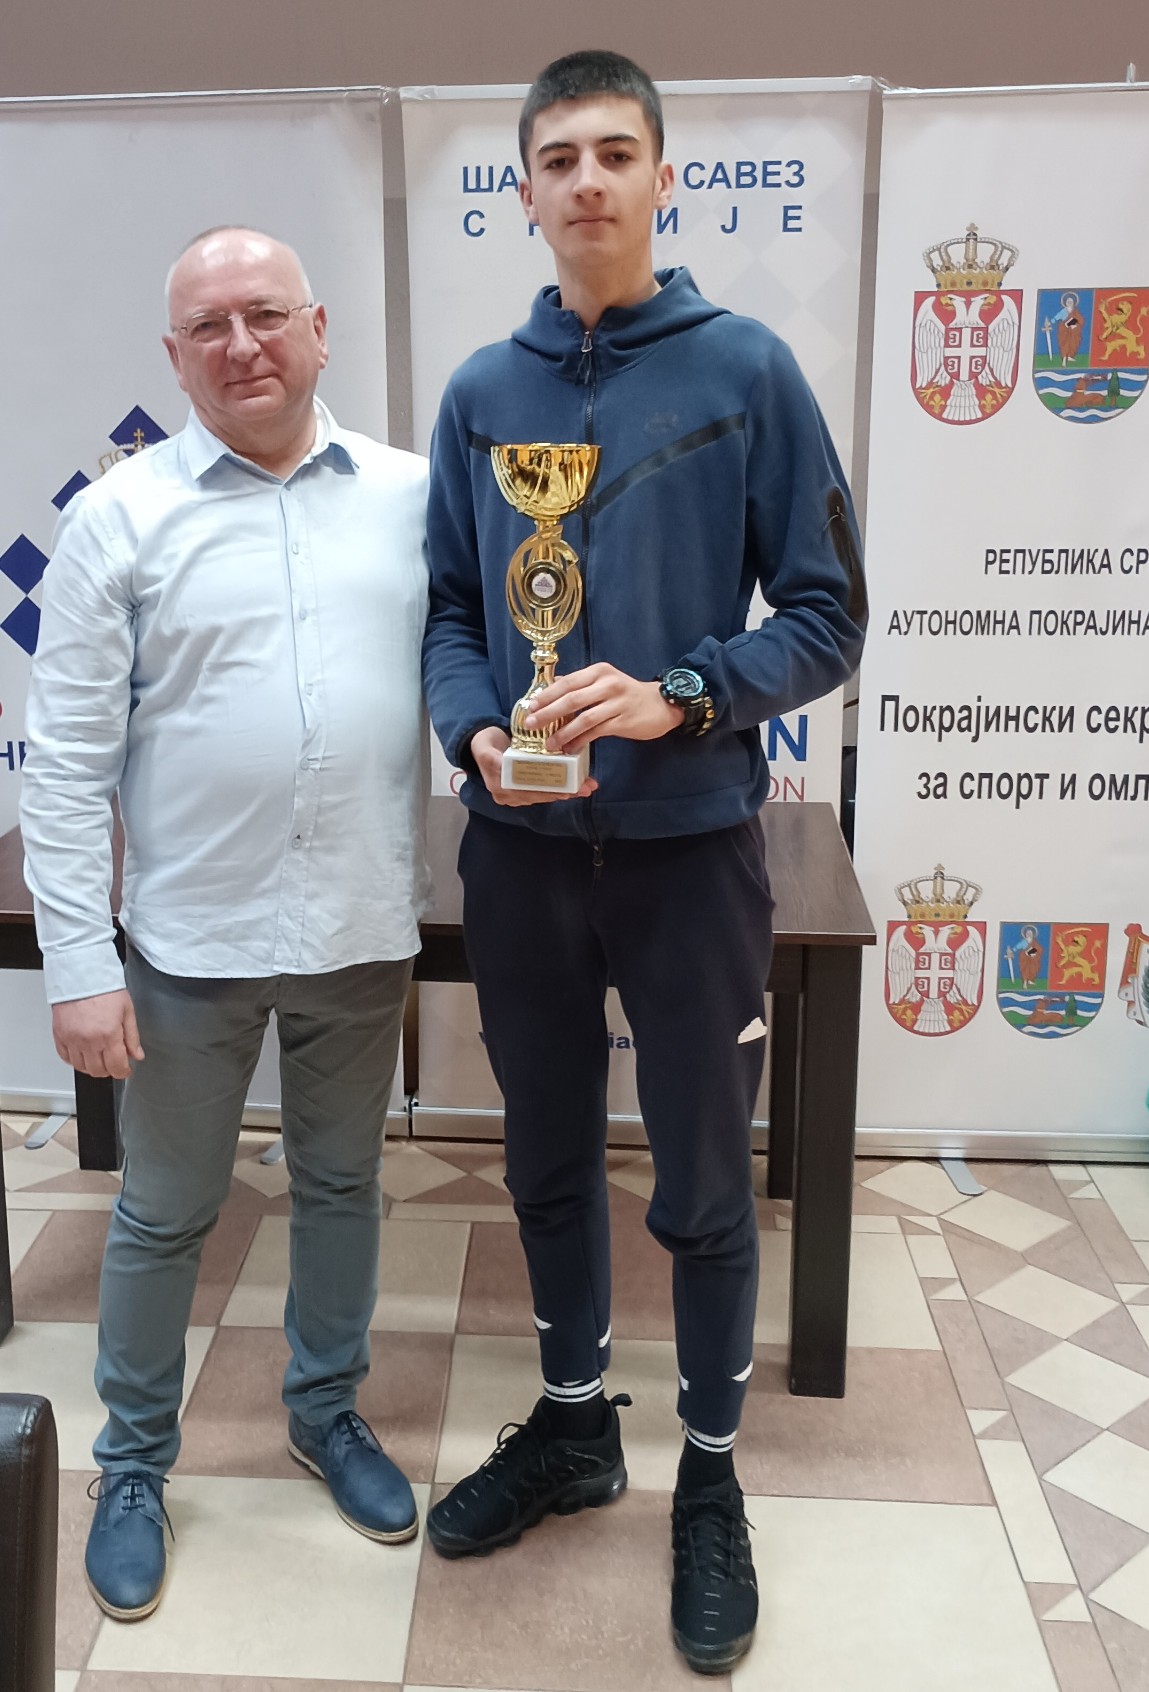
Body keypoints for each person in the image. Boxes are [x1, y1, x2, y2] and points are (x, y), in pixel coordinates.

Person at [422, 50, 866, 1676]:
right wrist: (476, 727)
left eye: (618, 153)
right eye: (560, 158)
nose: (589, 181)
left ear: (665, 179)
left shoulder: (746, 369)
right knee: (544, 1153)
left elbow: (828, 616)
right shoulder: (485, 393)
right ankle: (571, 1425)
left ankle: (712, 1476)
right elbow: (453, 611)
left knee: (700, 1181)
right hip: (522, 851)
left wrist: (684, 690)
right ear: (524, 189)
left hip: (689, 854)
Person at [20, 226, 430, 1621]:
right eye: (209, 326)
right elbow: (64, 767)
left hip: (360, 928)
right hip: (189, 943)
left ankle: (325, 1412)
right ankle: (134, 1464)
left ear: (319, 330)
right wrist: (80, 967)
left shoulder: (412, 497)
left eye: (266, 315)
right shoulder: (118, 518)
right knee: (164, 1212)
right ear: (174, 356)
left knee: (342, 1188)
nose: (241, 345)